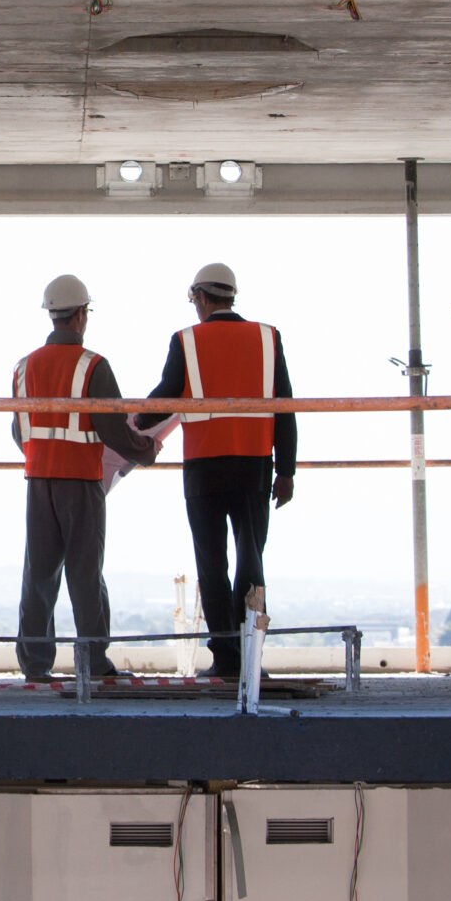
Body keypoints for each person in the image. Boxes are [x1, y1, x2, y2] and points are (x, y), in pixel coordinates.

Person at [145, 261, 296, 682]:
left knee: (212, 565)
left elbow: (165, 397)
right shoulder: (267, 338)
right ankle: (250, 655)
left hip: (204, 468)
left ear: (201, 298)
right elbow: (286, 407)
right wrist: (286, 471)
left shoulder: (186, 341)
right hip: (254, 466)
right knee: (251, 562)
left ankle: (226, 659)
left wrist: (133, 421)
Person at [13, 273, 160, 682]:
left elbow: (19, 431)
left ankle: (35, 666)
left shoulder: (24, 368)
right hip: (80, 480)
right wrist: (146, 451)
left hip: (39, 480)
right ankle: (94, 662)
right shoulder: (93, 366)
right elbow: (114, 430)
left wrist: (44, 457)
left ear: (53, 314)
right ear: (80, 315)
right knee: (85, 573)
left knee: (39, 573)